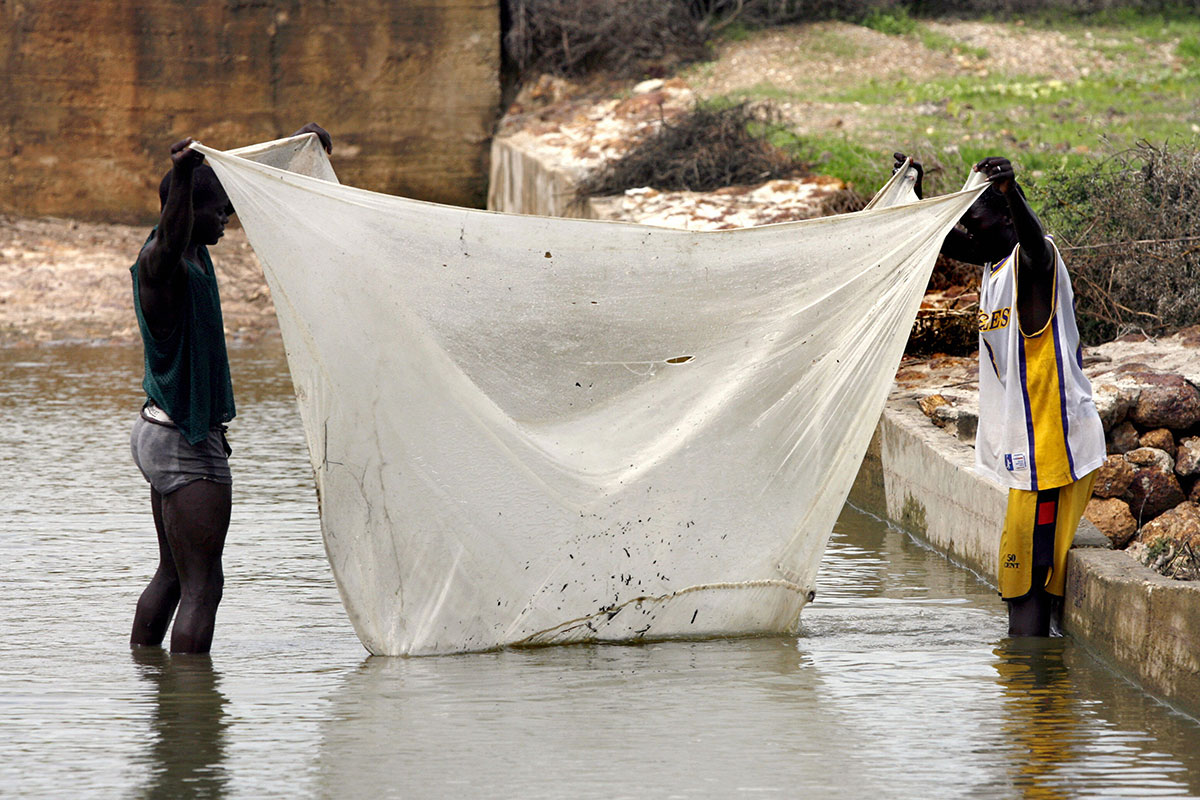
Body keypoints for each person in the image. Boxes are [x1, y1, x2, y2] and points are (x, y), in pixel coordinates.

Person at [129, 123, 332, 653]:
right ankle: (195, 724)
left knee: (173, 574)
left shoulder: (194, 252)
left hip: (163, 429)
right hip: (185, 442)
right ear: (181, 208)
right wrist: (181, 173)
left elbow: (235, 191)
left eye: (228, 211)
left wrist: (294, 146)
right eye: (216, 210)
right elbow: (172, 232)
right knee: (204, 585)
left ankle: (149, 684)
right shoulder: (162, 264)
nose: (227, 218)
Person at [893, 152, 1106, 636]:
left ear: (1007, 219)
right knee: (1024, 576)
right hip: (1031, 454)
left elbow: (1035, 243)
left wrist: (1013, 193)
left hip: (1052, 449)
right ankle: (1035, 689)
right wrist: (913, 194)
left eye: (979, 219)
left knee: (1027, 578)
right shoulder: (994, 263)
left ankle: (1031, 692)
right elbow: (950, 241)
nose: (969, 230)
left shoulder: (1033, 266)